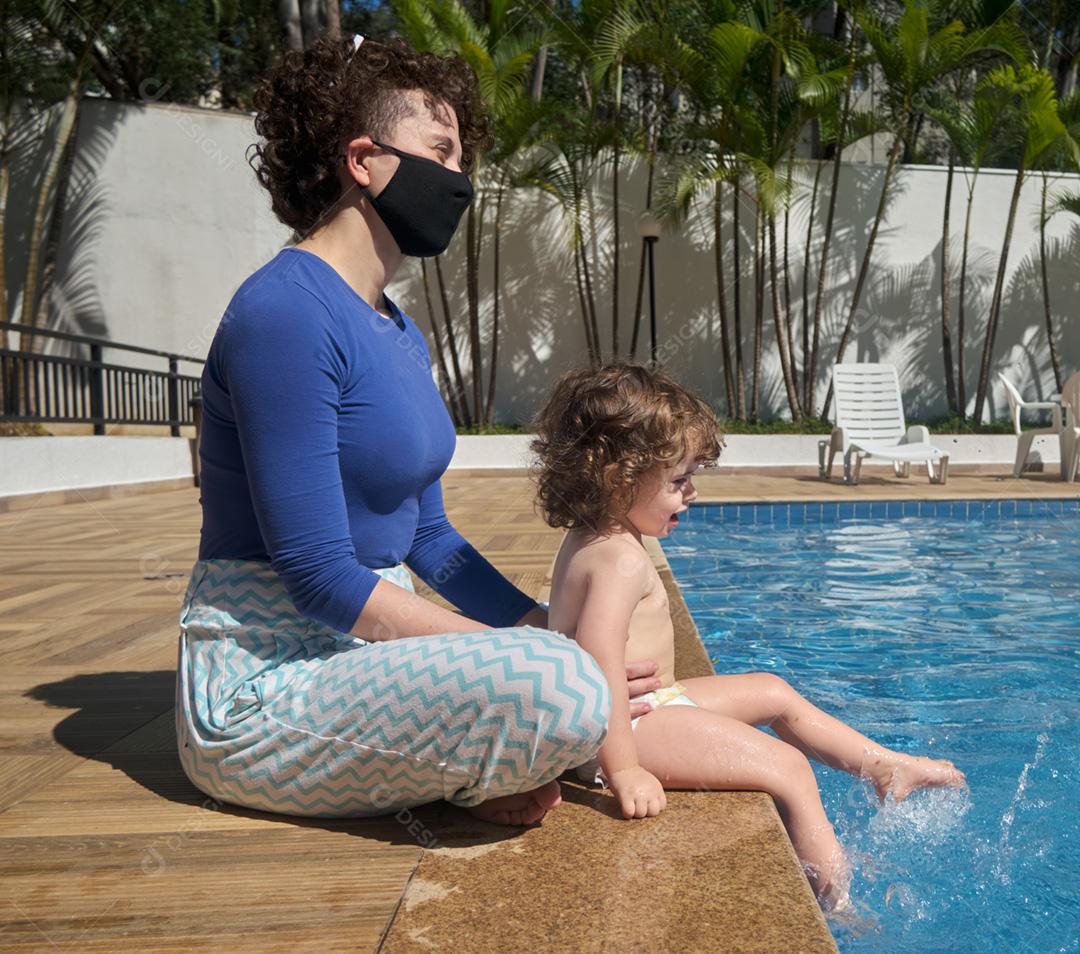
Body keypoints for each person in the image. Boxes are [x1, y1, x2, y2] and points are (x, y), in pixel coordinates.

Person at [176, 34, 664, 828]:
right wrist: (509, 653)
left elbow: (430, 539)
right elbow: (318, 576)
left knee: (590, 660)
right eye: (442, 152)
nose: (460, 180)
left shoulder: (398, 329)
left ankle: (477, 762)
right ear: (363, 161)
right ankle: (478, 764)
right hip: (265, 685)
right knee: (569, 688)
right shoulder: (285, 313)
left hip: (366, 657)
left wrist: (539, 625)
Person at [530, 361, 966, 907]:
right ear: (620, 479)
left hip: (648, 705)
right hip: (624, 731)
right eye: (678, 480)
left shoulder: (599, 536)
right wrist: (625, 770)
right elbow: (598, 670)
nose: (691, 494)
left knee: (771, 689)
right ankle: (838, 904)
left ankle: (883, 767)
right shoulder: (617, 560)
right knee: (787, 768)